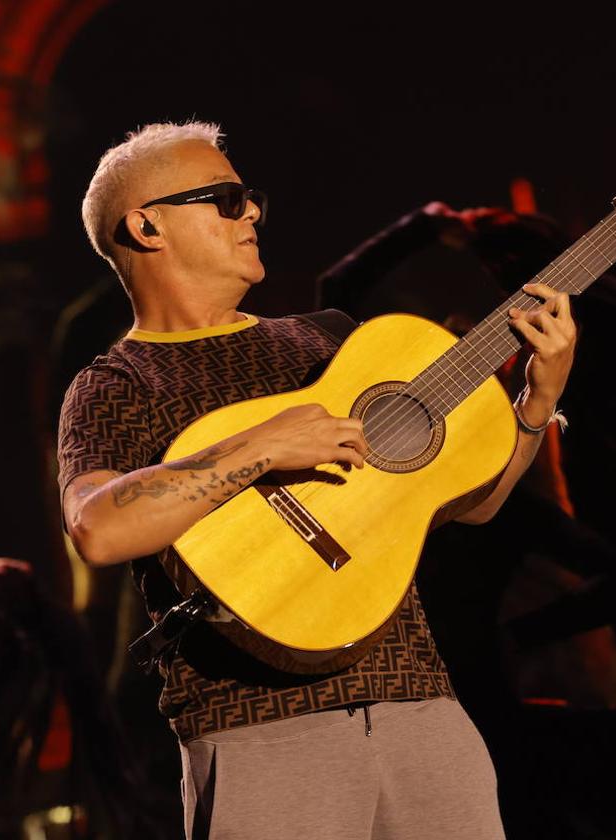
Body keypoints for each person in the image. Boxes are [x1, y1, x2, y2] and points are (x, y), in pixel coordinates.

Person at [57, 120, 577, 839]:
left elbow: (472, 503)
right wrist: (263, 446)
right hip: (258, 732)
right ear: (147, 226)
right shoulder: (117, 382)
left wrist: (534, 406)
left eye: (252, 199)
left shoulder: (330, 340)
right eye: (227, 198)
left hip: (422, 709)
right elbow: (99, 527)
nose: (254, 214)